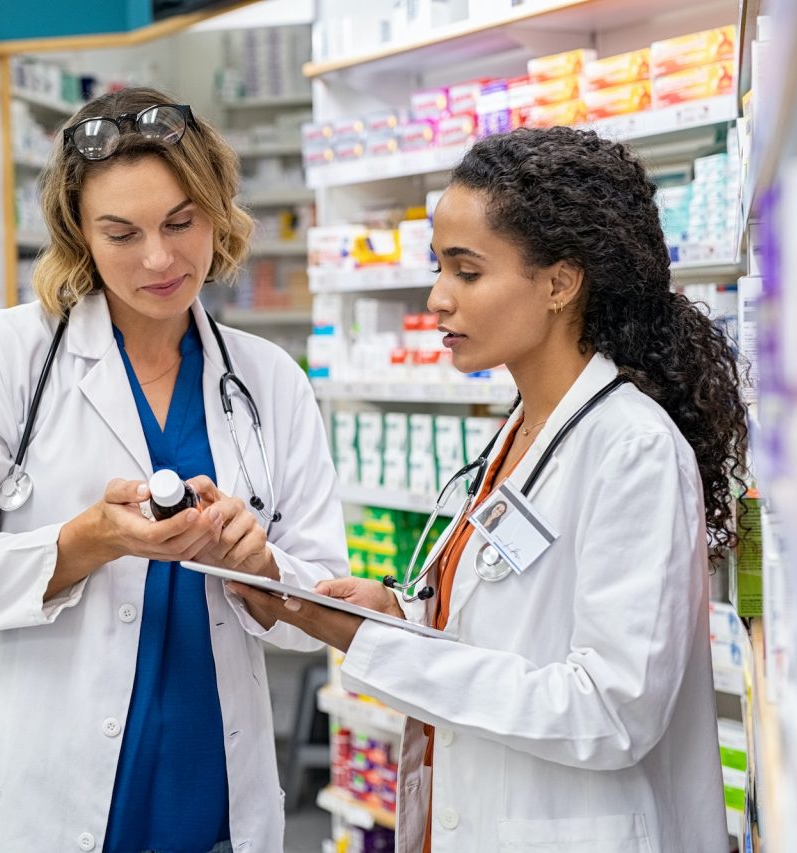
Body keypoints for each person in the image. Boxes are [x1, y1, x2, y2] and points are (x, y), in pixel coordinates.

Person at [231, 126, 746, 853]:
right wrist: (401, 612)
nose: (438, 299)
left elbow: (612, 709)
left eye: (466, 272)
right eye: (440, 268)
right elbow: (510, 623)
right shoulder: (523, 427)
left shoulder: (631, 448)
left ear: (561, 283)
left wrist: (375, 644)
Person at [0, 87, 347, 853]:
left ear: (217, 209)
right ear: (78, 233)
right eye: (121, 232)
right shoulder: (2, 356)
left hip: (215, 813)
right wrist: (87, 540)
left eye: (181, 221)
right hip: (46, 806)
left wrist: (261, 567)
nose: (160, 258)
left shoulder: (269, 381)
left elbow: (323, 608)